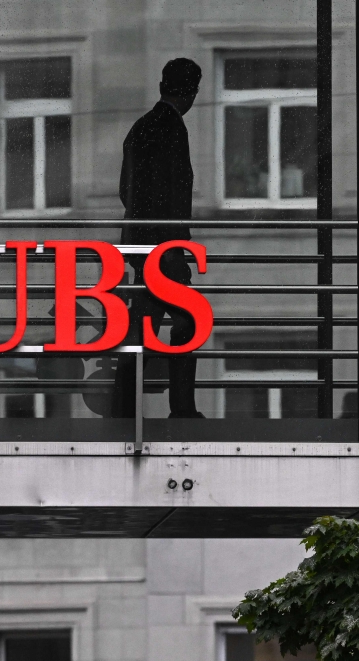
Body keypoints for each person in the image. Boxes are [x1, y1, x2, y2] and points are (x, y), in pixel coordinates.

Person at [113, 58, 204, 419]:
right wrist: (171, 247)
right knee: (188, 321)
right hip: (164, 247)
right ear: (192, 91)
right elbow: (170, 194)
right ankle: (181, 408)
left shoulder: (142, 126)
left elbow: (128, 190)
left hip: (142, 245)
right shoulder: (171, 127)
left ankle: (123, 407)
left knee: (143, 327)